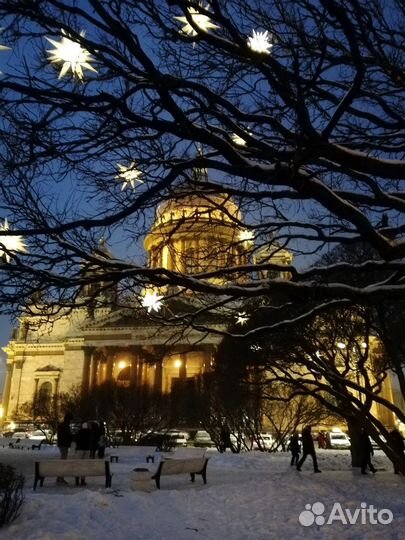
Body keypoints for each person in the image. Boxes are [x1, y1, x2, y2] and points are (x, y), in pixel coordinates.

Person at [56, 413, 73, 484]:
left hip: (61, 444)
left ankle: (60, 477)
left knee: (63, 460)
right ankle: (60, 477)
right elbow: (68, 435)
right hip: (64, 444)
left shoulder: (62, 425)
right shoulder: (65, 426)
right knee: (63, 461)